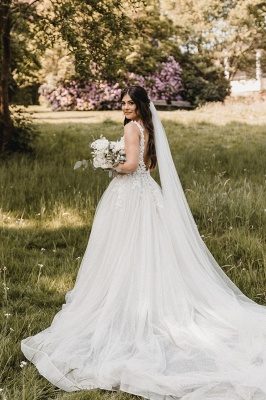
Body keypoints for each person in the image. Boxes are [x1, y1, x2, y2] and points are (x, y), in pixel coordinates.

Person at [21, 86, 266, 400]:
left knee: (123, 248)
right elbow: (149, 167)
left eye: (130, 103)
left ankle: (126, 303)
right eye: (122, 102)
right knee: (147, 249)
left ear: (139, 106)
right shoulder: (148, 128)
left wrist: (105, 163)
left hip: (129, 196)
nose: (125, 107)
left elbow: (130, 164)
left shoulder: (131, 129)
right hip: (146, 192)